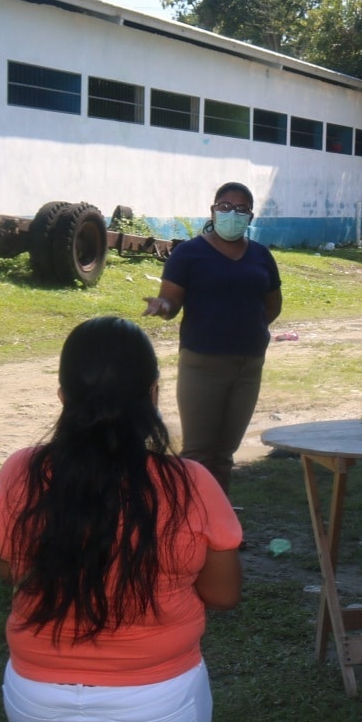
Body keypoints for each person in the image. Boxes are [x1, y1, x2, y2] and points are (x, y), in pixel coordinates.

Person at [0, 316, 243, 722]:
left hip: (36, 705)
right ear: (153, 393)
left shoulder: (19, 471)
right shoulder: (190, 482)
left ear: (63, 397)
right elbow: (224, 595)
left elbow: (11, 571)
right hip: (159, 711)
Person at [145, 181, 283, 495]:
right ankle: (187, 524)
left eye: (240, 209)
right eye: (225, 206)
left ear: (250, 216)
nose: (231, 213)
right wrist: (163, 306)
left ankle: (217, 525)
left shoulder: (261, 256)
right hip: (202, 365)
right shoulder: (190, 254)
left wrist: (248, 328)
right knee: (198, 453)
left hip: (248, 367)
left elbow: (272, 303)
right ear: (213, 210)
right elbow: (171, 301)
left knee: (224, 453)